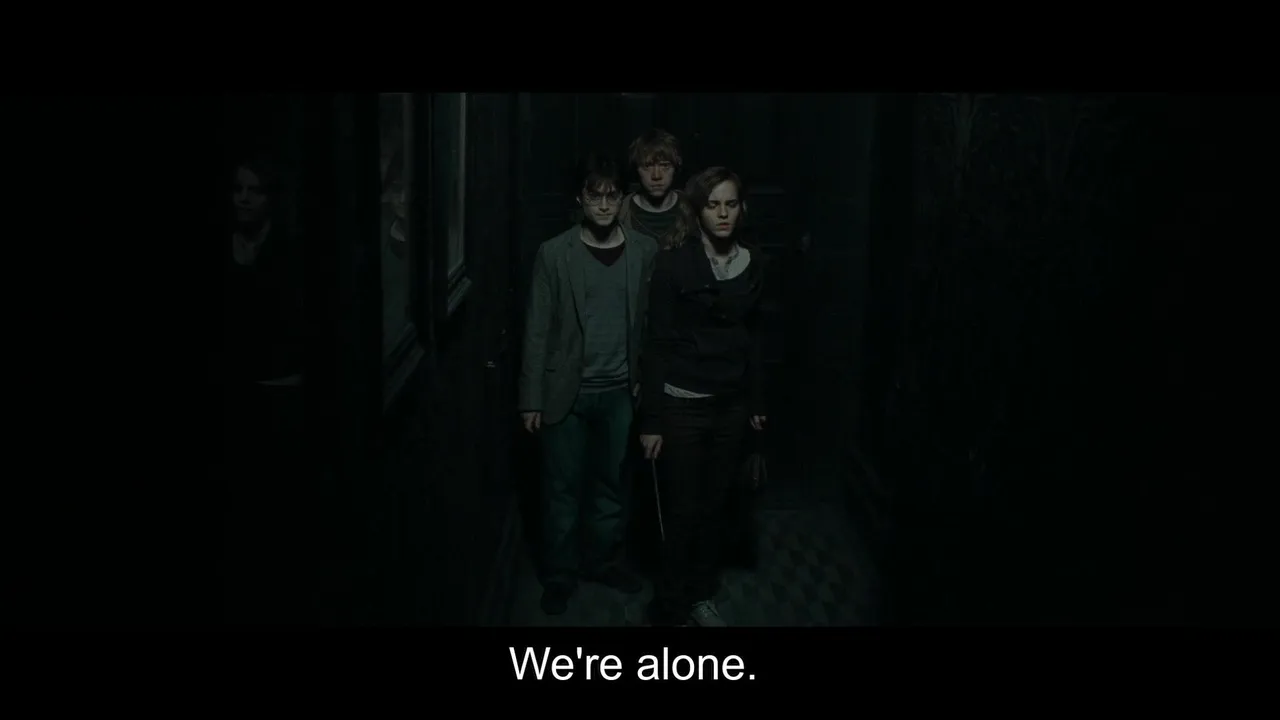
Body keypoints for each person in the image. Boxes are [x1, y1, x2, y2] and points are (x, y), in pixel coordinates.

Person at [518, 152, 661, 616]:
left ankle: (604, 562)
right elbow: (537, 329)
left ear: (622, 199)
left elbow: (651, 325)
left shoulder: (644, 251)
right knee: (561, 490)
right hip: (567, 393)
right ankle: (560, 576)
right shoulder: (554, 253)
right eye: (594, 195)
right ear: (579, 198)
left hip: (621, 392)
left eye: (611, 196)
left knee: (611, 487)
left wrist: (649, 389)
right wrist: (530, 398)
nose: (603, 205)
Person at [638, 166, 767, 627]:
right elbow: (656, 343)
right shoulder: (673, 263)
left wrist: (757, 402)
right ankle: (671, 605)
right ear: (697, 211)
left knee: (716, 506)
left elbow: (757, 338)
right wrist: (651, 420)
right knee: (681, 509)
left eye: (730, 204)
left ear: (742, 208)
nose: (723, 213)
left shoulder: (754, 262)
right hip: (682, 403)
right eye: (713, 205)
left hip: (730, 404)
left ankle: (700, 595)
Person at [220, 153, 308, 623]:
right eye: (238, 190)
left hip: (281, 390)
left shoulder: (288, 251)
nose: (244, 199)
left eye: (254, 190)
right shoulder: (226, 248)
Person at [618, 129, 684, 244]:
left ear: (675, 167)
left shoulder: (692, 209)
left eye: (665, 166)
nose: (656, 175)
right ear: (636, 169)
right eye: (647, 166)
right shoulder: (621, 212)